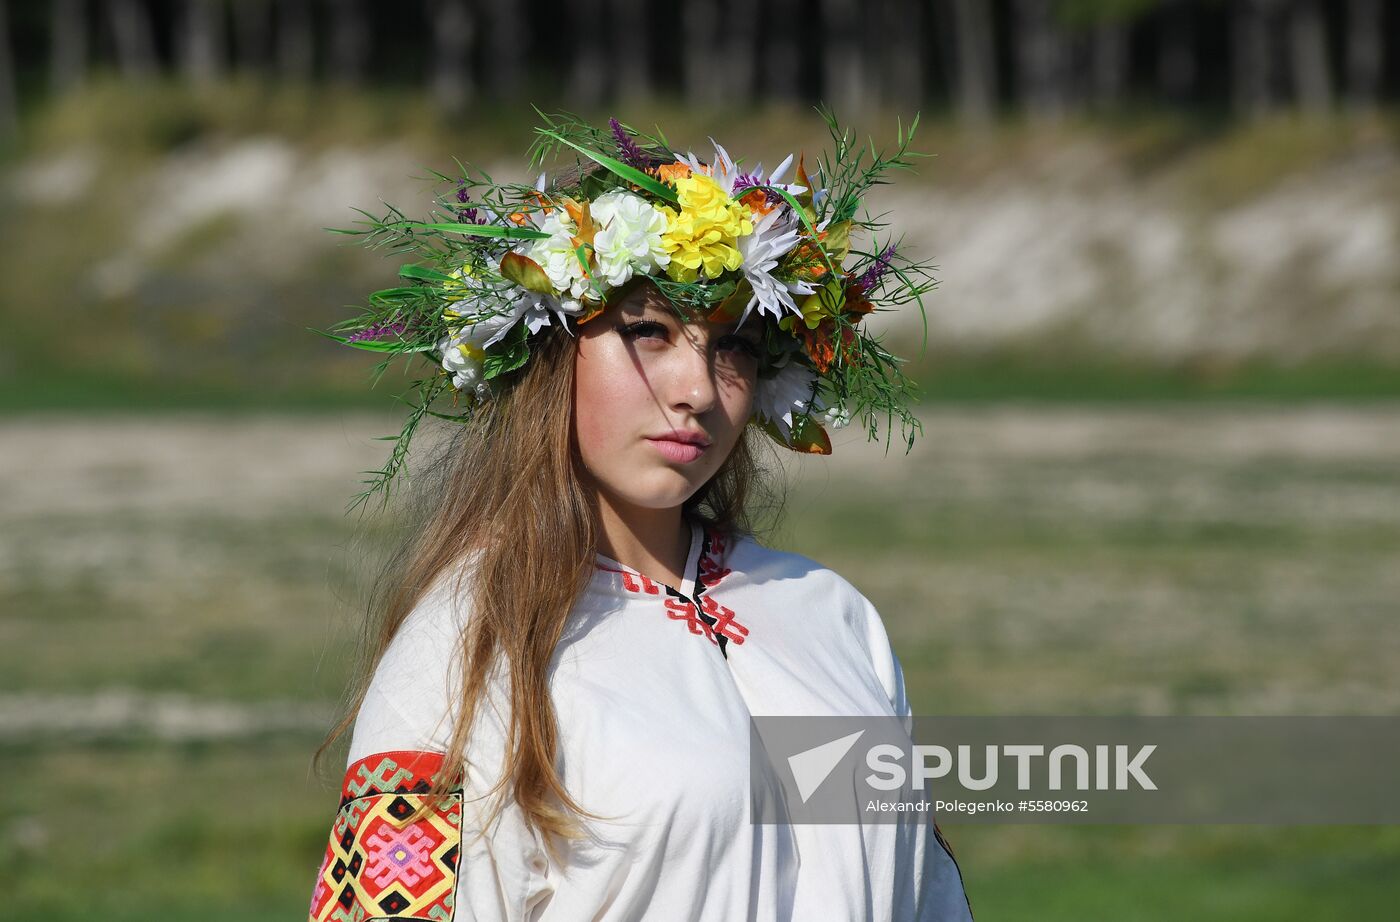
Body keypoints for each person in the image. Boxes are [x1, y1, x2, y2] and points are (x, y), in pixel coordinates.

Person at [307, 115, 973, 921]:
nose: (697, 386)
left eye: (732, 346)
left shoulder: (828, 614)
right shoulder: (468, 646)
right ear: (550, 354)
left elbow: (923, 895)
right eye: (649, 331)